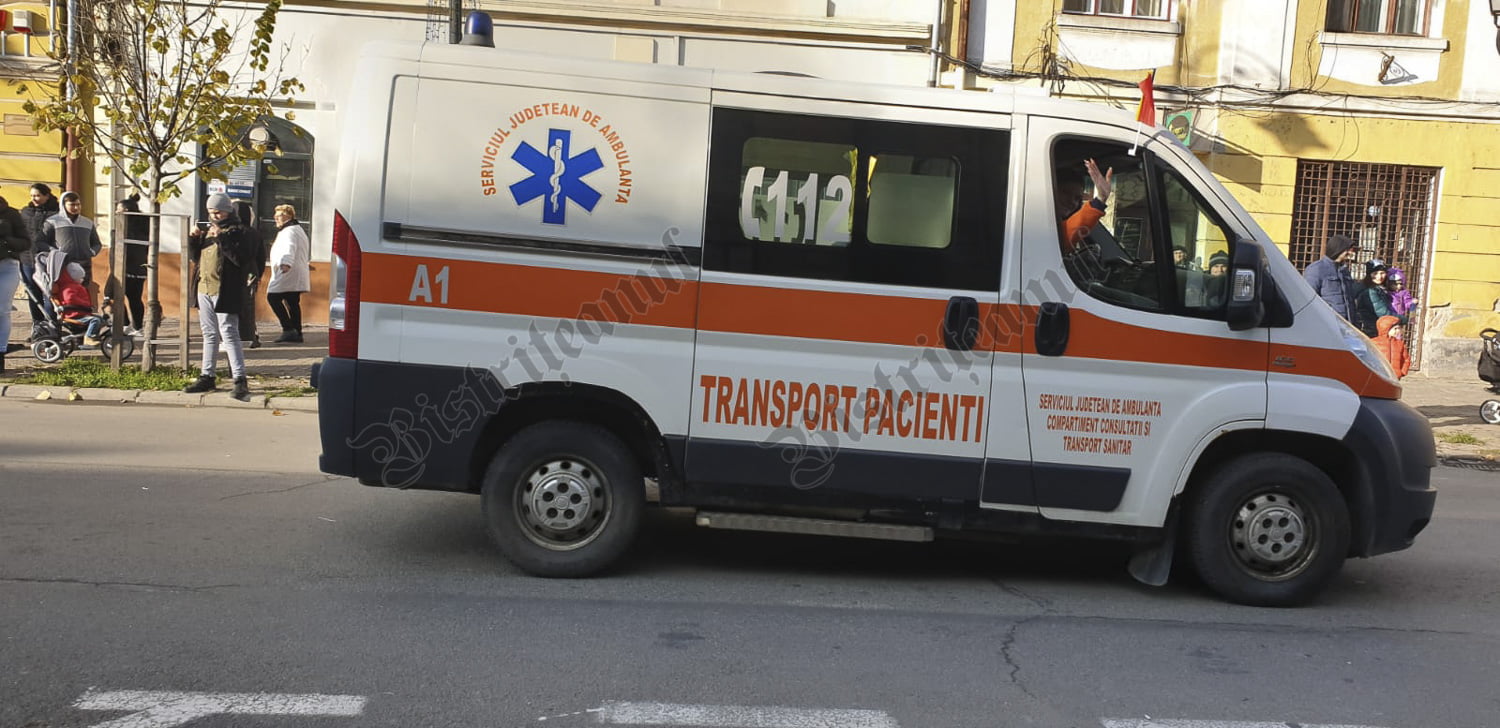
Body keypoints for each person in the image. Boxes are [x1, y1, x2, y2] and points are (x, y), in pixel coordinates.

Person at [184, 193, 253, 401]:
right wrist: (194, 239)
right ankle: (207, 375)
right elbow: (195, 258)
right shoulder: (208, 230)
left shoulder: (238, 231)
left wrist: (221, 237)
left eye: (218, 212)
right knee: (209, 334)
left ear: (228, 211)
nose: (214, 215)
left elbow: (239, 259)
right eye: (211, 212)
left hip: (225, 290)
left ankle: (240, 379)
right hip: (203, 288)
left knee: (229, 333)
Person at [36, 191, 103, 306]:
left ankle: (80, 315)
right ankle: (55, 317)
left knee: (80, 294)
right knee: (59, 295)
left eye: (78, 204)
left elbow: (97, 243)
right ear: (63, 205)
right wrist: (55, 252)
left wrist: (91, 252)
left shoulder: (88, 223)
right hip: (61, 265)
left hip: (84, 265)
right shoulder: (53, 221)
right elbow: (41, 242)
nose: (76, 208)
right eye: (72, 205)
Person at [266, 203, 311, 343]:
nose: (276, 218)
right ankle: (297, 332)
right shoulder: (297, 229)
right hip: (295, 272)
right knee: (292, 301)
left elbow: (289, 248)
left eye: (280, 215)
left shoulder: (289, 231)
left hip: (287, 271)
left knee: (273, 297)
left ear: (289, 216)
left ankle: (288, 329)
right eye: (275, 215)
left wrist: (286, 263)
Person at [19, 183, 59, 331]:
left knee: (48, 292)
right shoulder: (26, 212)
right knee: (33, 293)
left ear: (47, 195)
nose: (34, 198)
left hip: (48, 259)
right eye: (32, 195)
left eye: (37, 195)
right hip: (27, 258)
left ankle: (52, 326)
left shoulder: (56, 213)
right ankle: (38, 326)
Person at [1302, 233, 1361, 331]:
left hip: (1347, 327)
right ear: (1338, 250)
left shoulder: (1344, 270)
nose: (1350, 253)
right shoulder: (1316, 269)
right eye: (1347, 250)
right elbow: (1308, 298)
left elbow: (1350, 300)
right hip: (1327, 326)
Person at [113, 194, 150, 335]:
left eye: (119, 209)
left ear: (127, 211)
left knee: (119, 296)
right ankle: (135, 326)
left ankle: (128, 325)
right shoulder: (144, 224)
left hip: (128, 267)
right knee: (134, 298)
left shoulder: (127, 227)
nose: (116, 212)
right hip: (138, 267)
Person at [0, 195, 29, 372]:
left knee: (2, 310)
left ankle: (0, 352)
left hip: (6, 266)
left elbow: (26, 242)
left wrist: (6, 241)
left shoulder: (10, 213)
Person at [233, 201, 266, 348]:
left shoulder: (231, 231)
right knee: (248, 307)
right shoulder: (255, 233)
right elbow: (261, 257)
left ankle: (242, 336)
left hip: (236, 275)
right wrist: (257, 274)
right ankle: (251, 336)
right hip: (250, 274)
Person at [50, 261, 105, 346]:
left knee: (100, 319)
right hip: (73, 315)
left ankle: (94, 334)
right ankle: (89, 337)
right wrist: (85, 305)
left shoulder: (72, 286)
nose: (82, 280)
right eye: (80, 278)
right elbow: (70, 299)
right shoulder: (69, 287)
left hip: (79, 313)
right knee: (95, 320)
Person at [1354, 260, 1405, 338]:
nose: (1379, 277)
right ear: (1369, 274)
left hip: (1374, 328)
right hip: (1369, 329)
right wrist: (1402, 319)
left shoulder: (1380, 289)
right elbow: (1383, 313)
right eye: (1375, 273)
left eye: (1382, 273)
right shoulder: (1370, 291)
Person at [1370, 315, 1411, 379]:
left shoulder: (1400, 344)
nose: (1398, 331)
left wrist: (1402, 372)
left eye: (1399, 328)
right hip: (1377, 376)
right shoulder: (1374, 342)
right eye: (1395, 329)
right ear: (1386, 329)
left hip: (1394, 377)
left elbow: (1406, 359)